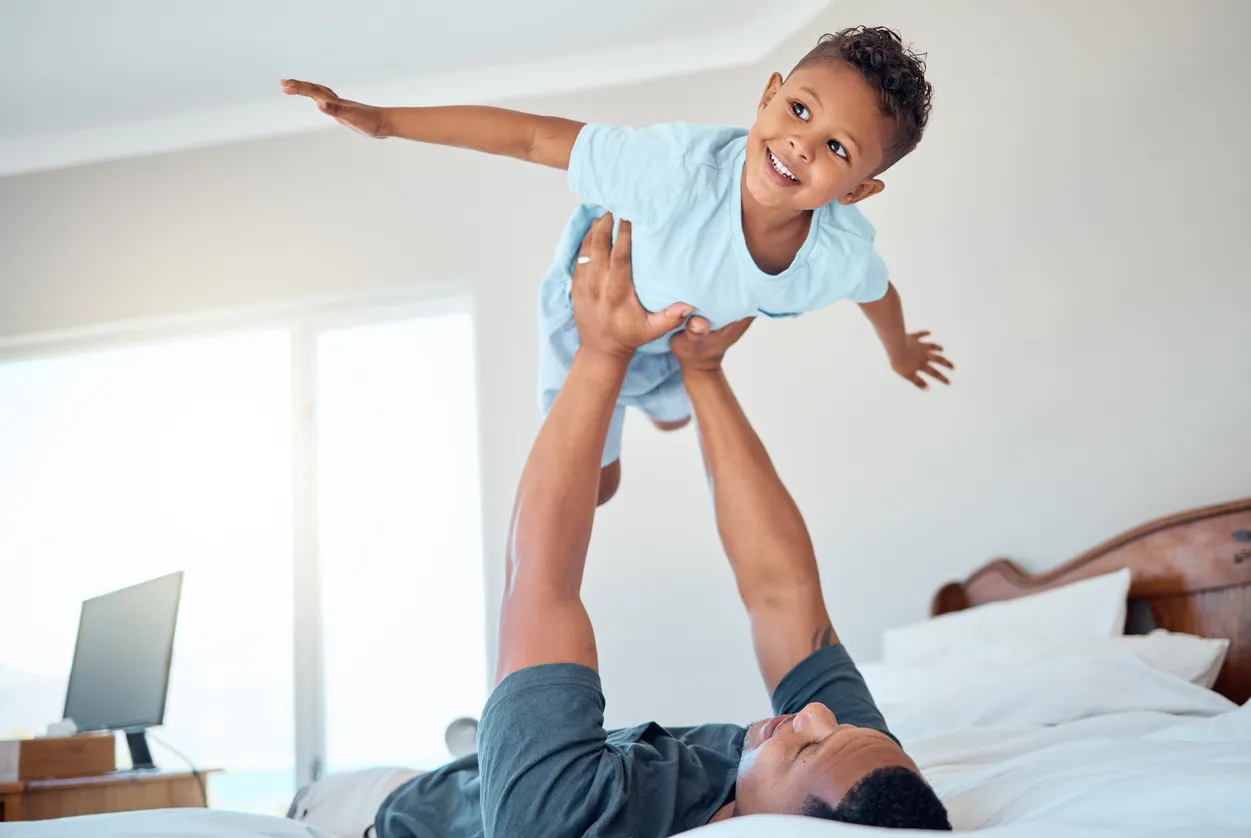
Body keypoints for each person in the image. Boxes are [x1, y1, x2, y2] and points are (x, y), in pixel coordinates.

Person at [287, 214, 951, 837]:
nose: (815, 715)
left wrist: (601, 352)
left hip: (367, 811)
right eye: (835, 726)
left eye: (805, 747)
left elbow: (538, 583)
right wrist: (702, 371)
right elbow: (782, 592)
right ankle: (493, 743)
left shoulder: (567, 820)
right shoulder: (861, 769)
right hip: (497, 775)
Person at [280, 25, 954, 505]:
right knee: (600, 489)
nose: (801, 144)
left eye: (836, 149)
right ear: (768, 96)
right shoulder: (671, 171)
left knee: (673, 417)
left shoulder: (835, 254)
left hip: (673, 342)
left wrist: (898, 350)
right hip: (589, 320)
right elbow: (533, 138)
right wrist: (387, 122)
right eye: (799, 110)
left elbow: (877, 291)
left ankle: (655, 399)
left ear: (858, 190)